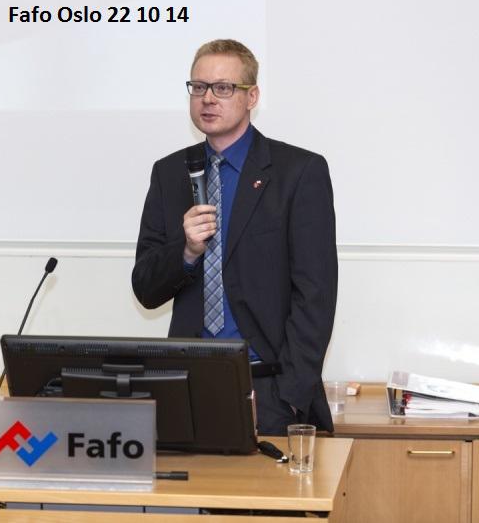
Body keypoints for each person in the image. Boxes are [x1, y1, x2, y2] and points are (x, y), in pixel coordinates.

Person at [132, 39, 337, 435]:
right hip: (188, 386)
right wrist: (186, 251)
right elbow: (145, 287)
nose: (208, 98)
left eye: (223, 88)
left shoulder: (298, 172)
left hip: (270, 389)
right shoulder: (170, 173)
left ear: (251, 97)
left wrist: (289, 395)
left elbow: (316, 294)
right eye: (199, 87)